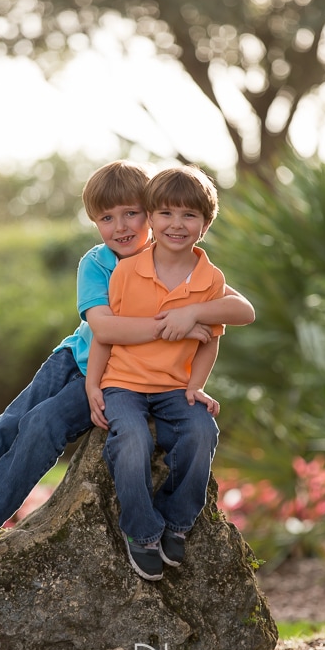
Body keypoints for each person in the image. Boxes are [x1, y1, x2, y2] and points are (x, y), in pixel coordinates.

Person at [0, 160, 224, 548]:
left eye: (131, 214)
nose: (120, 227)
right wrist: (177, 324)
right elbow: (104, 328)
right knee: (6, 427)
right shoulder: (96, 263)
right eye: (107, 217)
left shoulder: (171, 260)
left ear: (152, 214)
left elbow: (233, 302)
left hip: (114, 377)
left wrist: (194, 313)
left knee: (42, 425)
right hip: (72, 360)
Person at [85, 164, 255, 582]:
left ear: (205, 224)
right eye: (166, 214)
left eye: (189, 216)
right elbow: (106, 335)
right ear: (151, 217)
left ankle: (177, 521)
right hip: (123, 383)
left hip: (176, 388)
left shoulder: (210, 280)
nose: (176, 224)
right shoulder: (127, 270)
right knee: (133, 441)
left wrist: (196, 385)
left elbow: (212, 337)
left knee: (202, 432)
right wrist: (93, 384)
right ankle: (142, 531)